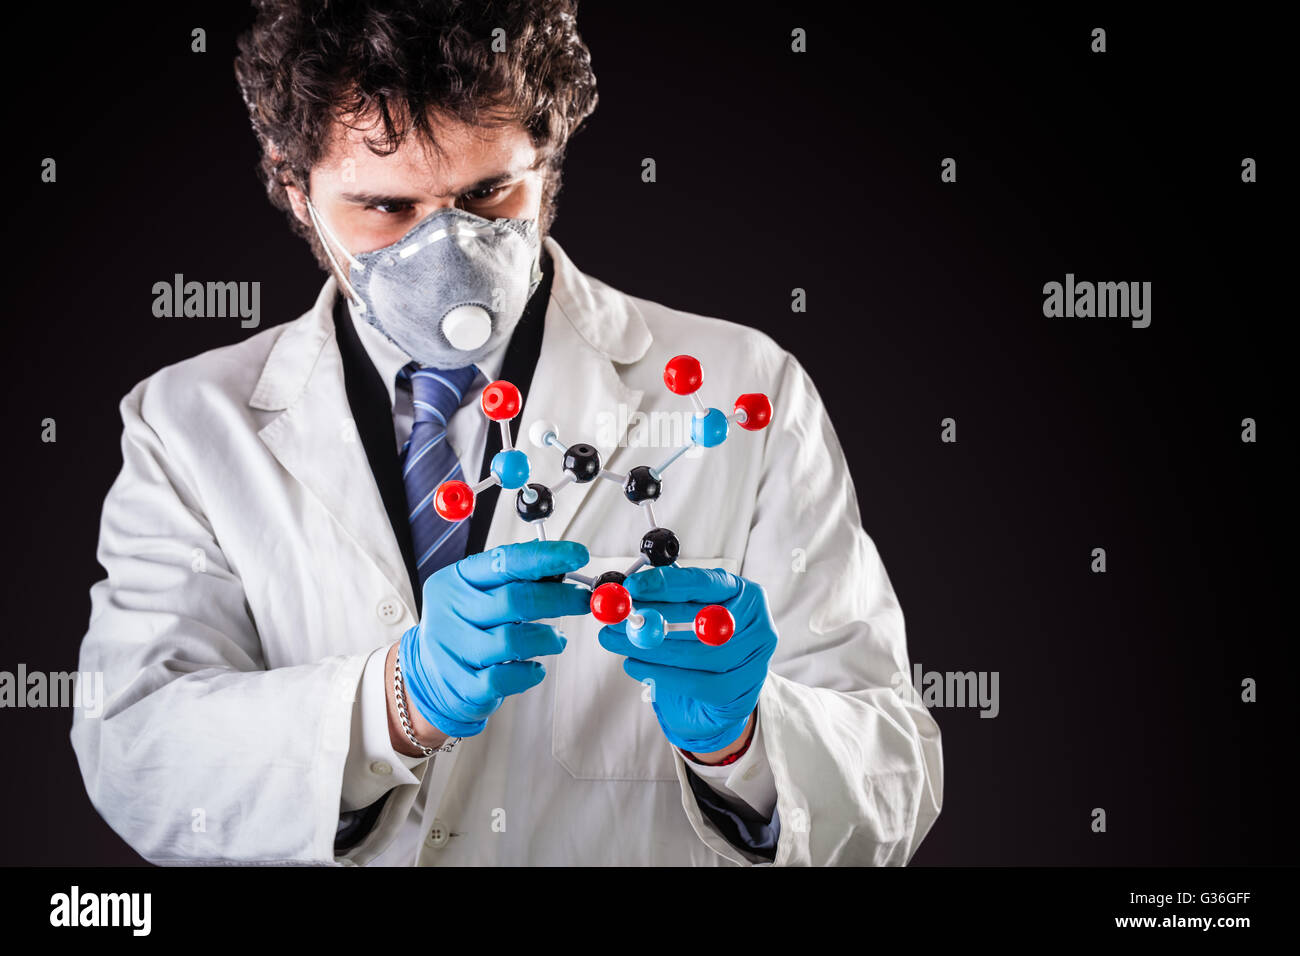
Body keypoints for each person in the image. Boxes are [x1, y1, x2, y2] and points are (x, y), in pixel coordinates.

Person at [70, 0, 942, 866]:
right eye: (386, 206)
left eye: (488, 193)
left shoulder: (744, 386)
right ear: (296, 187)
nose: (449, 252)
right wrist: (396, 705)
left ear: (548, 161)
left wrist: (742, 744)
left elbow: (894, 774)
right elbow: (136, 753)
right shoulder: (188, 423)